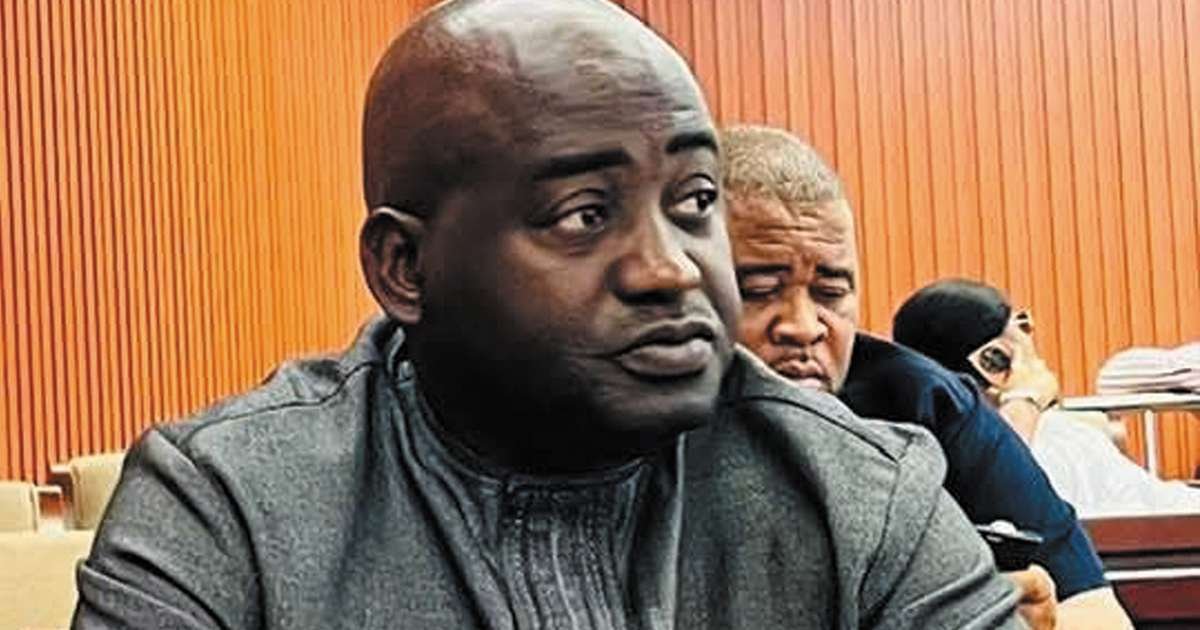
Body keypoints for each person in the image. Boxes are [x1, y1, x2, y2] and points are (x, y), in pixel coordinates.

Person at [71, 1, 1022, 628]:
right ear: (405, 268)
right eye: (583, 215)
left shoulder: (856, 497)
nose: (670, 268)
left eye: (694, 201)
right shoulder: (232, 510)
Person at [722, 124, 1132, 628]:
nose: (805, 327)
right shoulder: (646, 442)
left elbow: (1094, 612)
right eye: (760, 290)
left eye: (830, 294)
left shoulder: (927, 404)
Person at [894, 278, 1200, 517]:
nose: (1030, 340)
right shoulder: (944, 455)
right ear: (993, 360)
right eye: (1021, 327)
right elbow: (997, 493)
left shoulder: (1064, 434)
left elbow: (1154, 499)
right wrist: (1024, 398)